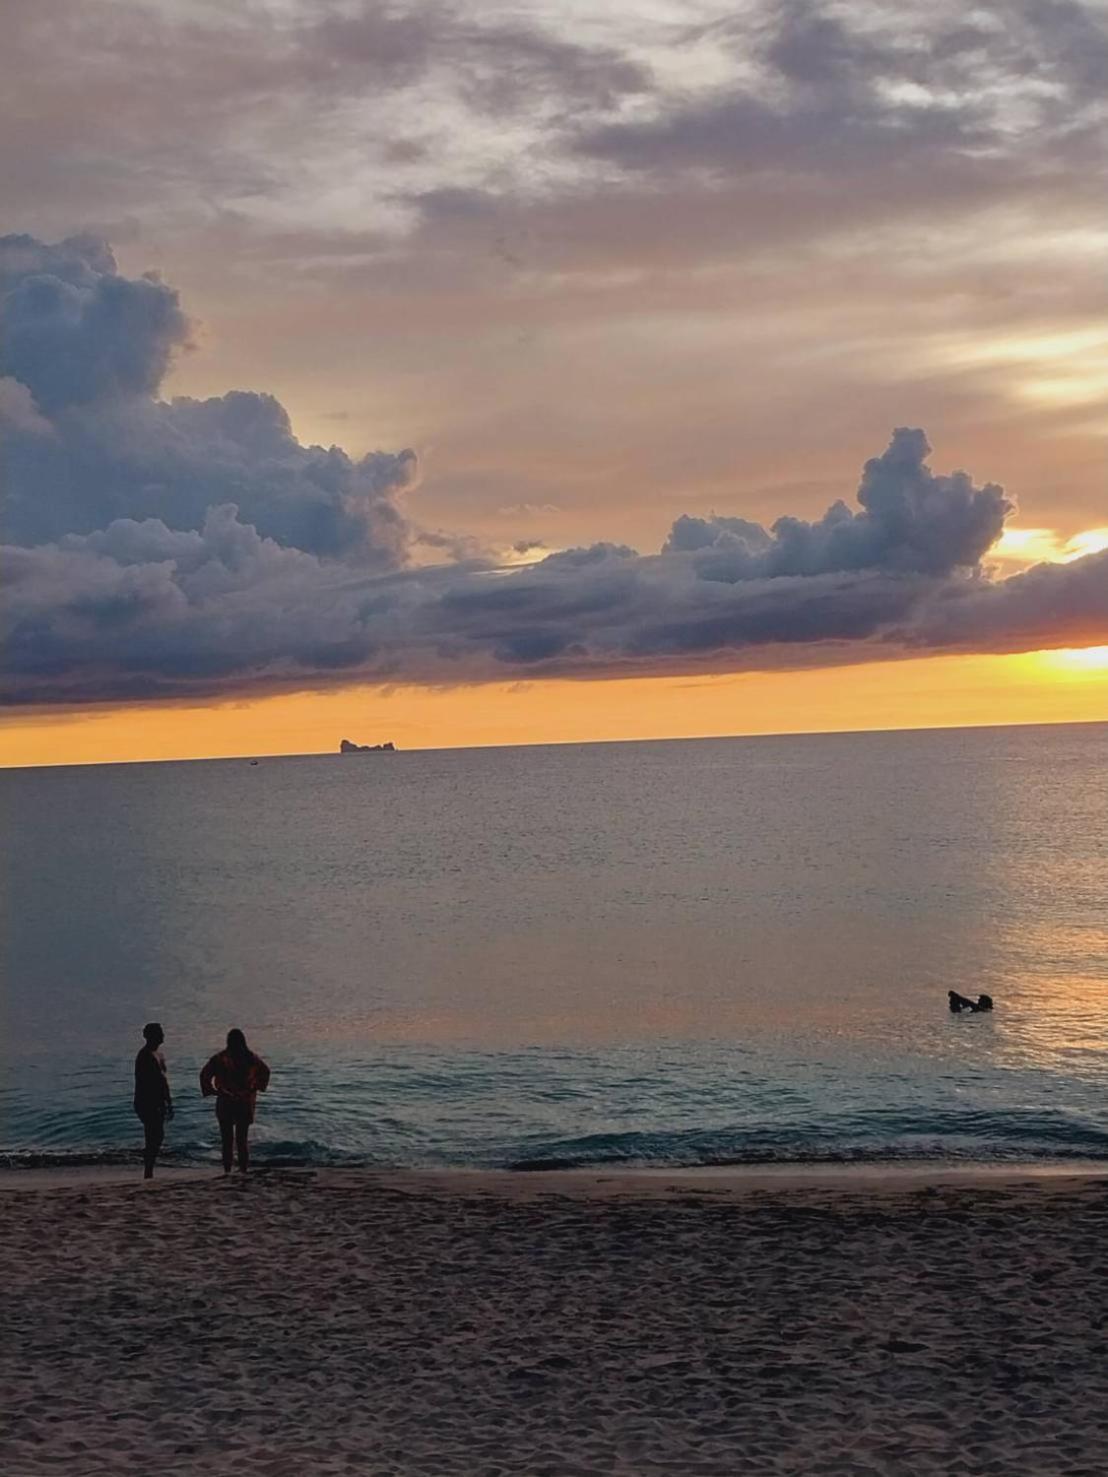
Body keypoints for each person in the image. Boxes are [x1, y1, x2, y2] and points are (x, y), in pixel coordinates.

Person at [200, 1029, 271, 1175]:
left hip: (226, 1100)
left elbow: (204, 1075)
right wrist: (255, 1087)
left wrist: (213, 1091)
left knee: (227, 1140)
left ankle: (227, 1171)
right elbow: (266, 1072)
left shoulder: (220, 1058)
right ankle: (243, 1170)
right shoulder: (251, 1058)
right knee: (242, 1139)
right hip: (245, 1101)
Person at [133, 1022, 173, 1179]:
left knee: (157, 1135)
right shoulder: (145, 1055)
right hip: (147, 1101)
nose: (163, 1035)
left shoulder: (158, 1054)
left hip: (157, 1100)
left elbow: (163, 1080)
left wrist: (168, 1101)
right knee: (153, 1135)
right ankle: (148, 1171)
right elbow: (149, 1081)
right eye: (160, 1033)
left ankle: (149, 1169)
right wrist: (159, 1101)